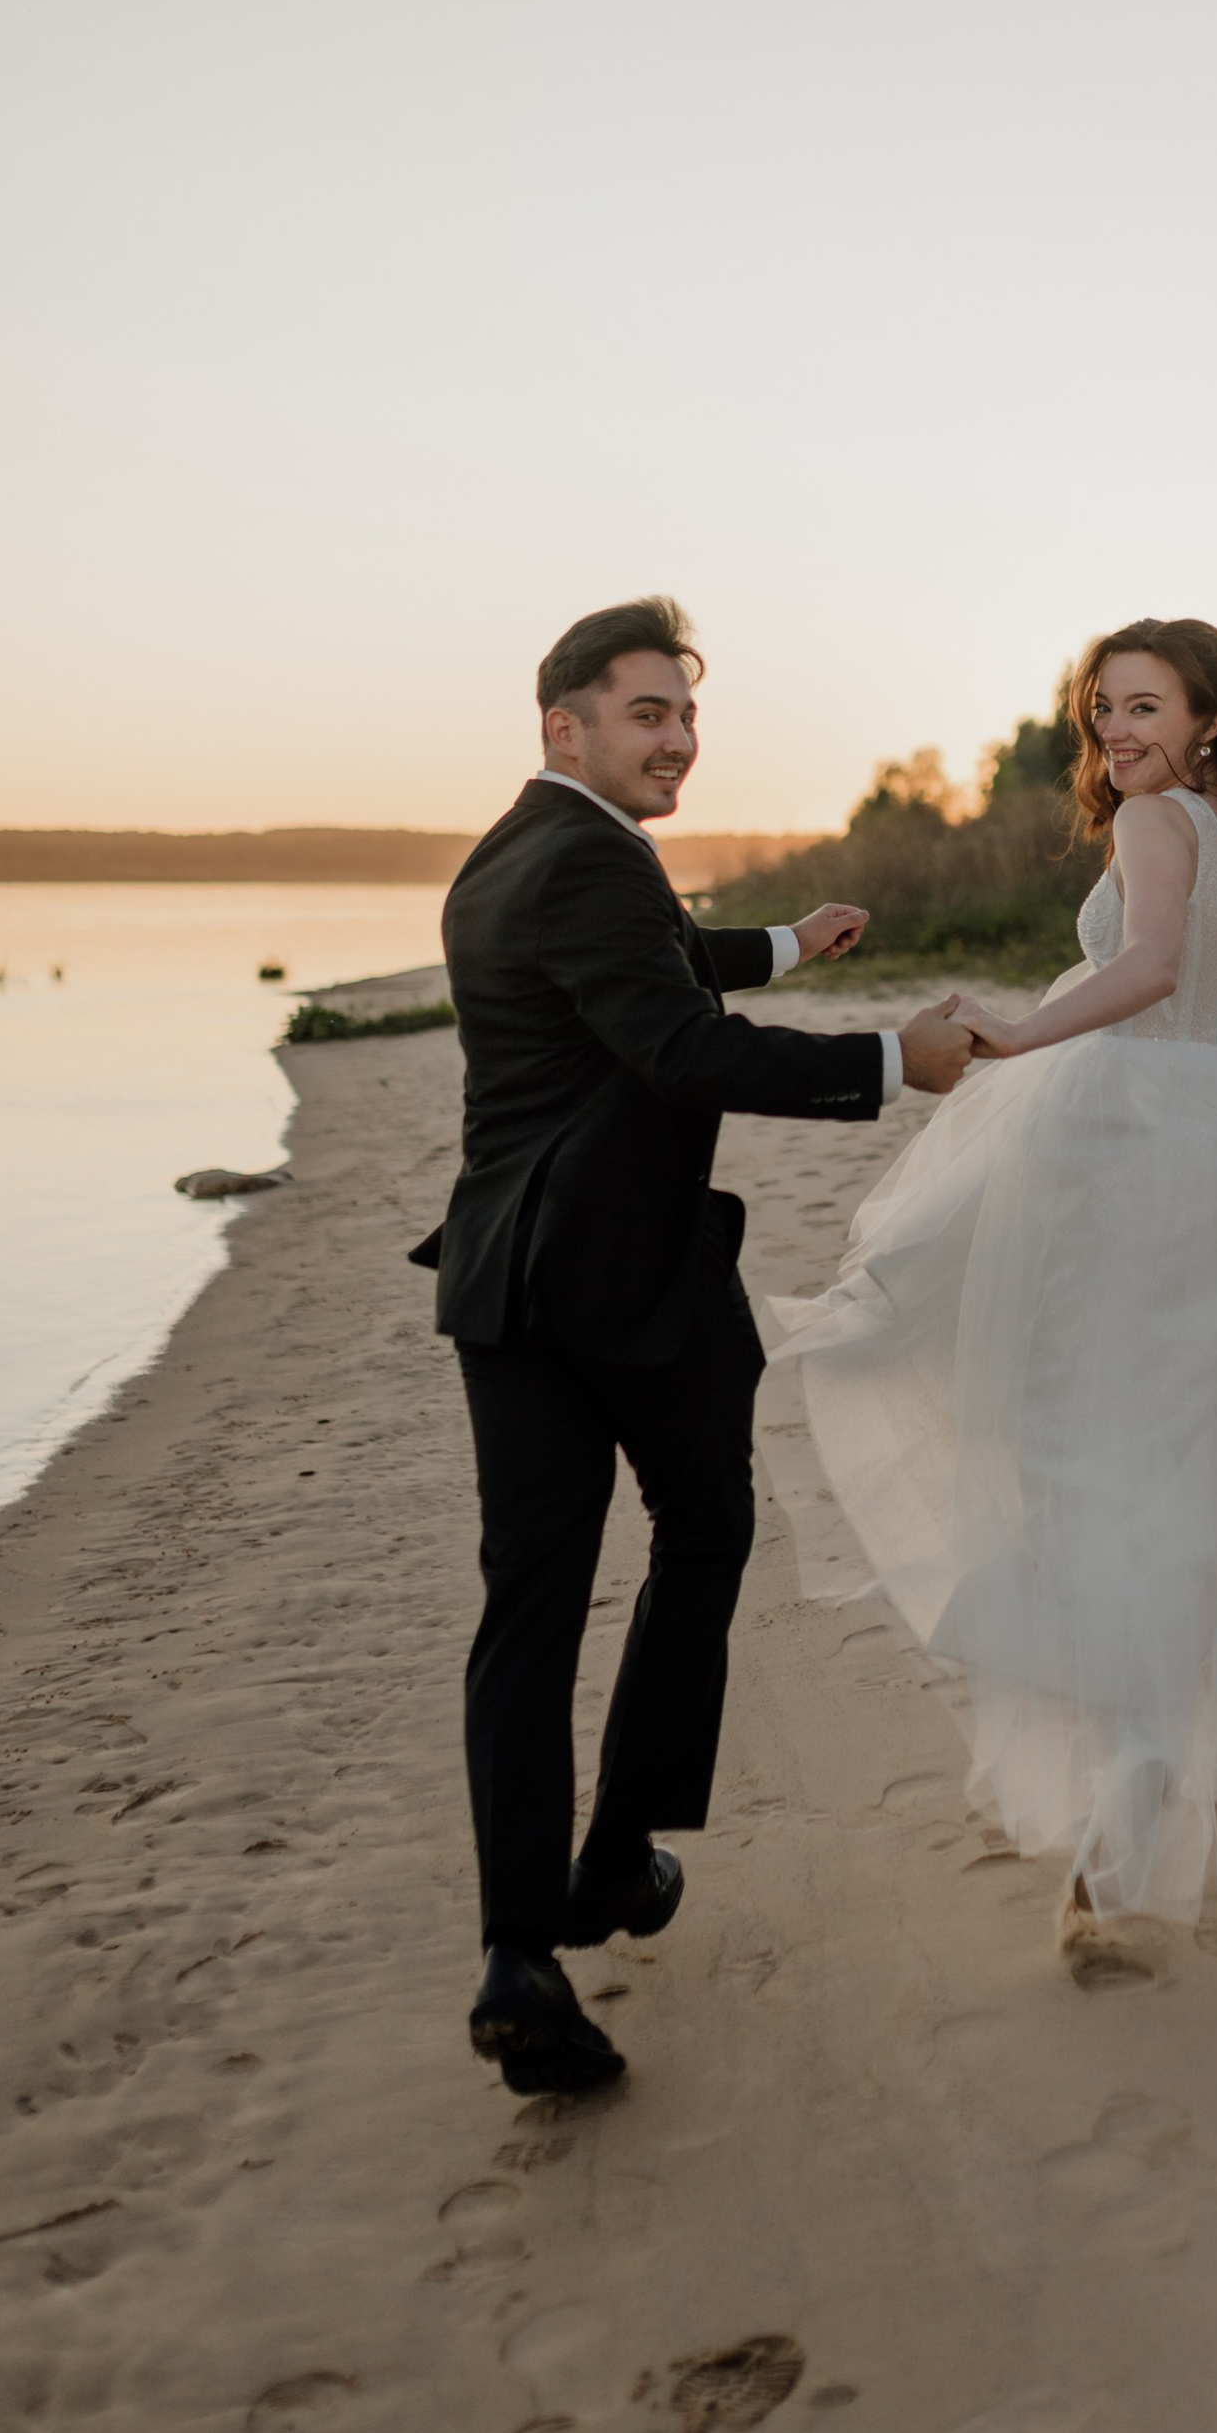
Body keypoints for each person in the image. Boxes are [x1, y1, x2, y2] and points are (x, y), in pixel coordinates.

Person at [415, 596, 979, 2097]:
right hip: (630, 1281)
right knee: (706, 1527)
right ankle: (612, 1854)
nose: (678, 739)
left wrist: (787, 942)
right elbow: (672, 1042)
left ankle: (524, 1948)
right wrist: (887, 1059)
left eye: (686, 715)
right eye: (649, 713)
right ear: (568, 725)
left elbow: (647, 970)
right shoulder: (595, 857)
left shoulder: (508, 858)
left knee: (527, 1608)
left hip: (502, 1283)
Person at [771, 618, 1217, 1940]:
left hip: (1136, 1153)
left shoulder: (1159, 824)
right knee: (1194, 1439)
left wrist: (1021, 1029)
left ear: (1210, 721)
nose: (1118, 733)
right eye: (1103, 709)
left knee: (1081, 1435)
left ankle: (1137, 1762)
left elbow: (1152, 961)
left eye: (1145, 707)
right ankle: (1205, 1719)